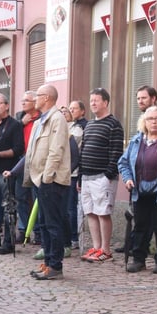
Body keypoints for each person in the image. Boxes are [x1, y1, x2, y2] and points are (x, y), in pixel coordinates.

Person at [118, 106, 157, 274]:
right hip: (140, 191)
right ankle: (139, 259)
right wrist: (127, 178)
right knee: (140, 226)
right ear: (144, 122)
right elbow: (123, 162)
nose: (154, 122)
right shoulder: (136, 141)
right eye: (150, 119)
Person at [25, 84, 71, 280]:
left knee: (53, 224)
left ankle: (55, 265)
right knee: (43, 224)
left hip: (51, 180)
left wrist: (47, 177)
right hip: (39, 179)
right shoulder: (40, 121)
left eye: (38, 95)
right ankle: (48, 262)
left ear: (46, 98)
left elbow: (56, 150)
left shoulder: (57, 119)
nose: (34, 99)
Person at [79, 88, 124, 263]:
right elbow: (83, 150)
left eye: (96, 100)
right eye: (91, 100)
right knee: (90, 212)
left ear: (105, 102)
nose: (93, 103)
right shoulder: (89, 125)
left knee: (103, 212)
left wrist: (108, 174)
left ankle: (106, 250)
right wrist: (81, 174)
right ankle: (96, 247)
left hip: (102, 177)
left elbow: (116, 152)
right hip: (86, 176)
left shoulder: (114, 124)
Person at [0, 93, 24, 255]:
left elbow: (18, 149)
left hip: (6, 171)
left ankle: (8, 242)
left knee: (8, 207)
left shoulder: (14, 125)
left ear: (7, 106)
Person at [15, 91, 42, 251]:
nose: (23, 103)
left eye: (27, 100)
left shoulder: (42, 117)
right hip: (21, 161)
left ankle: (38, 231)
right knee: (21, 197)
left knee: (36, 198)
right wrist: (21, 123)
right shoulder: (19, 117)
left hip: (37, 161)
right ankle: (23, 229)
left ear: (35, 102)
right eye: (22, 100)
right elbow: (12, 132)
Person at [66, 100, 87, 253]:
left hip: (75, 172)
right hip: (66, 172)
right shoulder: (70, 126)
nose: (71, 111)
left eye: (74, 109)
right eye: (70, 108)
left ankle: (74, 237)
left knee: (71, 207)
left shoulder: (82, 127)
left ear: (82, 111)